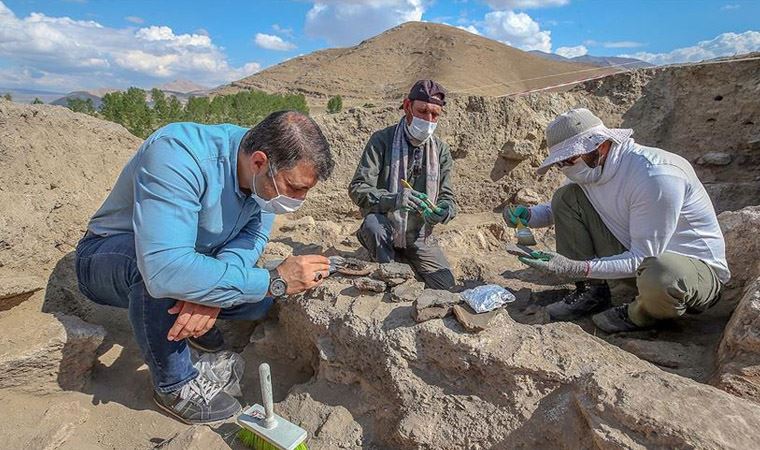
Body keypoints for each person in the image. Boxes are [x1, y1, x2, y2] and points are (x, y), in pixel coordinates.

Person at [75, 111, 334, 423]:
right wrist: (273, 280)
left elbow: (250, 237)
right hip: (111, 256)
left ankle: (193, 321)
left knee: (257, 301)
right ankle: (174, 384)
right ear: (259, 162)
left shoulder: (261, 177)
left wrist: (209, 295)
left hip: (191, 260)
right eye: (293, 187)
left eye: (306, 190)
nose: (299, 200)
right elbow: (164, 267)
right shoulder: (178, 154)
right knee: (160, 276)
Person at [506, 108, 729, 333]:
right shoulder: (593, 169)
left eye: (569, 159)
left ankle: (640, 313)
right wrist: (528, 216)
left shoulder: (655, 175)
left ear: (600, 145)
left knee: (662, 272)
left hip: (689, 279)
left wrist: (575, 267)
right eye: (559, 163)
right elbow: (558, 209)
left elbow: (644, 256)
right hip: (639, 265)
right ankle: (591, 293)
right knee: (566, 197)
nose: (564, 168)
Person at [348, 80, 458, 290]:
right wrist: (394, 199)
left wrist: (444, 211)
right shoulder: (382, 140)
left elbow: (447, 196)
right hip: (384, 225)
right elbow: (358, 188)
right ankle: (385, 259)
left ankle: (404, 254)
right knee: (376, 233)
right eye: (422, 111)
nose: (428, 120)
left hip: (419, 233)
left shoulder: (441, 150)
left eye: (435, 115)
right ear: (407, 106)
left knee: (446, 285)